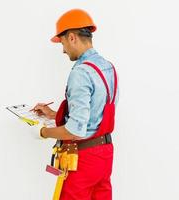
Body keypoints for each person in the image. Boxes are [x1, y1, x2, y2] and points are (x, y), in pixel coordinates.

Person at [32, 9, 119, 200]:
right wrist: (52, 114)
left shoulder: (81, 72)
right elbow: (94, 116)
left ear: (71, 37)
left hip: (83, 161)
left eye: (62, 43)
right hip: (104, 156)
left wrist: (42, 132)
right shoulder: (108, 67)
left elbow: (75, 131)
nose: (63, 50)